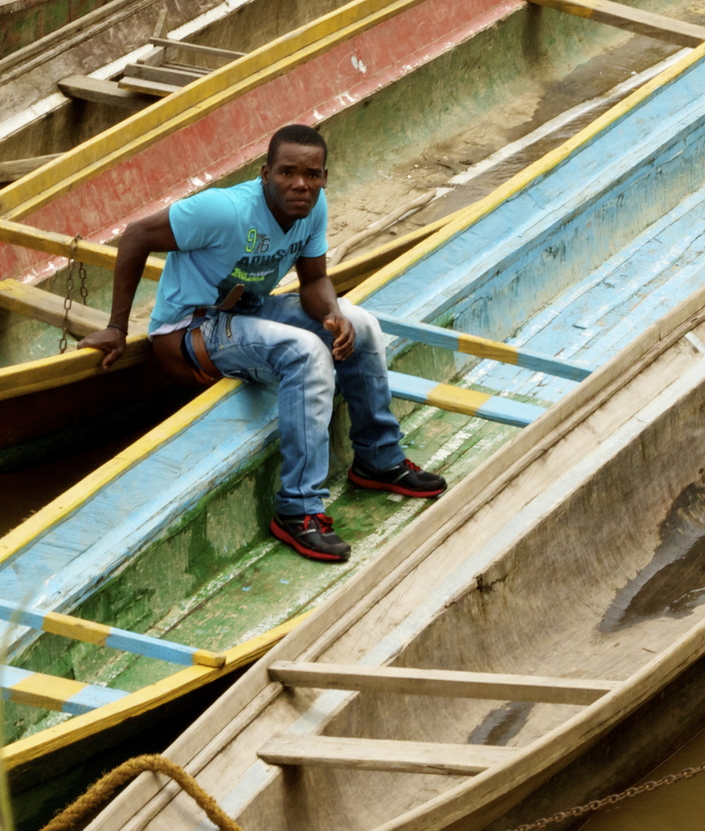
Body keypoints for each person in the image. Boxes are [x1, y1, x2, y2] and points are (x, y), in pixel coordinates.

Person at [83, 122, 443, 563]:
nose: (300, 184)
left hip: (249, 310)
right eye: (287, 172)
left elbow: (314, 280)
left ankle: (378, 459)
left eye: (312, 175)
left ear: (324, 177)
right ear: (264, 173)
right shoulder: (223, 211)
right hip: (190, 329)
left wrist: (331, 314)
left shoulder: (313, 208)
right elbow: (137, 235)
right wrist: (117, 327)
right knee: (305, 353)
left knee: (362, 323)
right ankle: (297, 510)